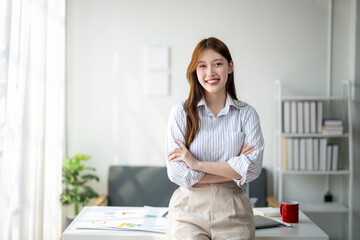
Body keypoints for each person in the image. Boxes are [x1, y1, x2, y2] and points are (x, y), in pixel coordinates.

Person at [165, 37, 264, 240]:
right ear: (195, 71)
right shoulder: (180, 113)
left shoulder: (247, 114)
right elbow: (177, 173)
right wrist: (234, 168)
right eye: (202, 66)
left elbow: (253, 169)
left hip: (234, 211)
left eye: (217, 64)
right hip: (188, 212)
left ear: (230, 67)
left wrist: (196, 163)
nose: (210, 73)